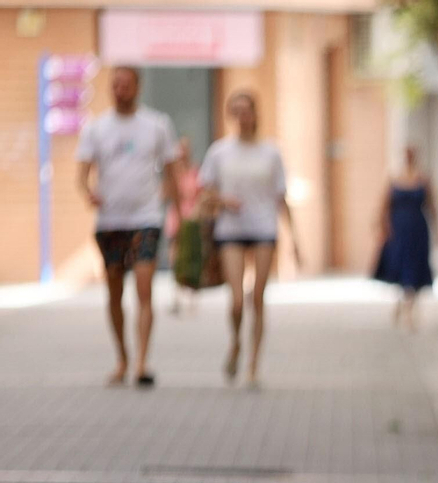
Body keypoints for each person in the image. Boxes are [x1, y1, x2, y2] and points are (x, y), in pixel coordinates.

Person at [76, 66, 180, 387]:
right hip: (110, 222)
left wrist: (170, 206)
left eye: (126, 84)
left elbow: (172, 171)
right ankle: (121, 356)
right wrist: (88, 192)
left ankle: (142, 362)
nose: (120, 89)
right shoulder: (96, 128)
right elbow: (82, 172)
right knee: (114, 291)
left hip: (146, 219)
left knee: (145, 288)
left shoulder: (157, 124)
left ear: (138, 86)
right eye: (115, 84)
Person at [199, 90, 301, 386]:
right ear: (232, 115)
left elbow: (282, 197)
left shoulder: (271, 152)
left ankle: (254, 365)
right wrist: (222, 201)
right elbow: (205, 190)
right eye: (237, 111)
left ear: (256, 113)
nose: (243, 117)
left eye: (247, 110)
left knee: (258, 297)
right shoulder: (219, 152)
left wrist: (295, 239)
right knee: (236, 301)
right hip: (230, 229)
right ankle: (235, 343)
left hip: (264, 228)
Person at [373, 145, 435, 331]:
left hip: (417, 228)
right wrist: (382, 226)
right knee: (399, 264)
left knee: (416, 265)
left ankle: (409, 305)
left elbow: (432, 204)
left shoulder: (423, 178)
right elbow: (384, 204)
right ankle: (402, 301)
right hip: (399, 228)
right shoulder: (394, 177)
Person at [166, 136, 204, 315]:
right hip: (176, 217)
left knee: (192, 257)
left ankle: (192, 296)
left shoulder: (196, 172)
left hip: (192, 219)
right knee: (176, 257)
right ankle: (177, 295)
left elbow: (201, 194)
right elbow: (164, 193)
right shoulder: (173, 173)